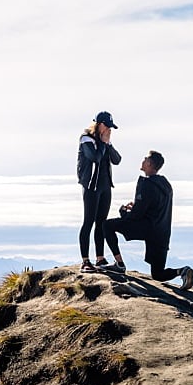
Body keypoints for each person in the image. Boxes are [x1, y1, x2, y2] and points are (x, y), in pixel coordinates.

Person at [101, 150, 193, 290]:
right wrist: (137, 206)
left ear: (149, 164)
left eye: (145, 159)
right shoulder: (166, 185)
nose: (142, 161)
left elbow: (136, 215)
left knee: (107, 225)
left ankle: (119, 264)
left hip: (146, 228)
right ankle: (182, 271)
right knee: (157, 274)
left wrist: (124, 212)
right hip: (162, 233)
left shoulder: (146, 184)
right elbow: (152, 206)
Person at [76, 111, 122, 273]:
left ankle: (100, 258)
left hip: (105, 186)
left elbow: (117, 160)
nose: (109, 130)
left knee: (101, 223)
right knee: (88, 221)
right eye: (108, 126)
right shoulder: (86, 139)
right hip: (91, 186)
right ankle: (85, 260)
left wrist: (108, 144)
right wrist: (103, 143)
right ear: (100, 125)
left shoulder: (105, 141)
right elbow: (94, 157)